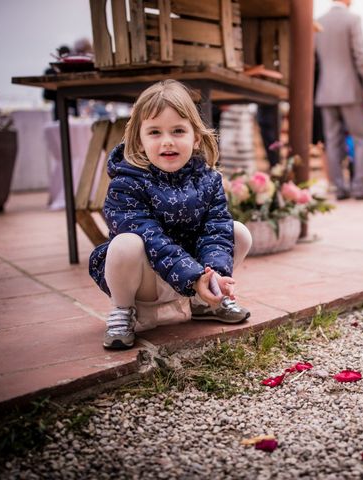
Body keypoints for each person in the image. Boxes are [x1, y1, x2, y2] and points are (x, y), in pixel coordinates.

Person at [89, 80, 252, 350]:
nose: (167, 141)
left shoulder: (208, 180)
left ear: (195, 137)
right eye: (154, 132)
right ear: (139, 140)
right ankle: (122, 310)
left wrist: (213, 275)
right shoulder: (126, 183)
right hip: (147, 281)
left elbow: (216, 232)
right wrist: (193, 276)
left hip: (193, 273)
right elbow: (150, 238)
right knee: (125, 243)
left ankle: (205, 301)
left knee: (237, 231)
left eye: (178, 130)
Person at [314, 0, 363, 200]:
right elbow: (360, 57)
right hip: (350, 90)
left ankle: (339, 188)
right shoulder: (353, 19)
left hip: (325, 91)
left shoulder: (319, 21)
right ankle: (359, 187)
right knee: (360, 139)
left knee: (332, 142)